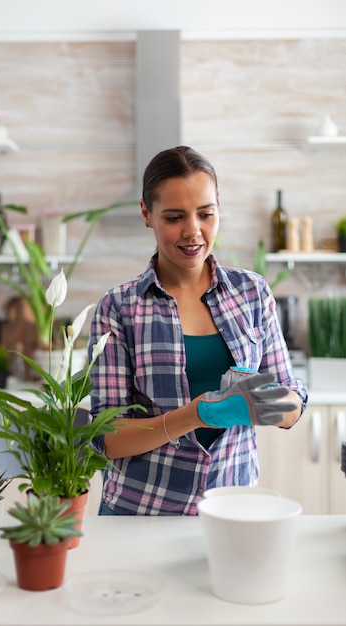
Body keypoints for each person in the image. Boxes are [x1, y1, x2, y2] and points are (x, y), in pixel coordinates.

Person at [88, 146, 308, 515]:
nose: (193, 231)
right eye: (174, 217)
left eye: (206, 214)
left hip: (233, 509)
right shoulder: (120, 308)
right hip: (141, 512)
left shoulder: (251, 294)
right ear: (146, 212)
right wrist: (196, 415)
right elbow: (106, 437)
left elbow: (293, 404)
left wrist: (263, 404)